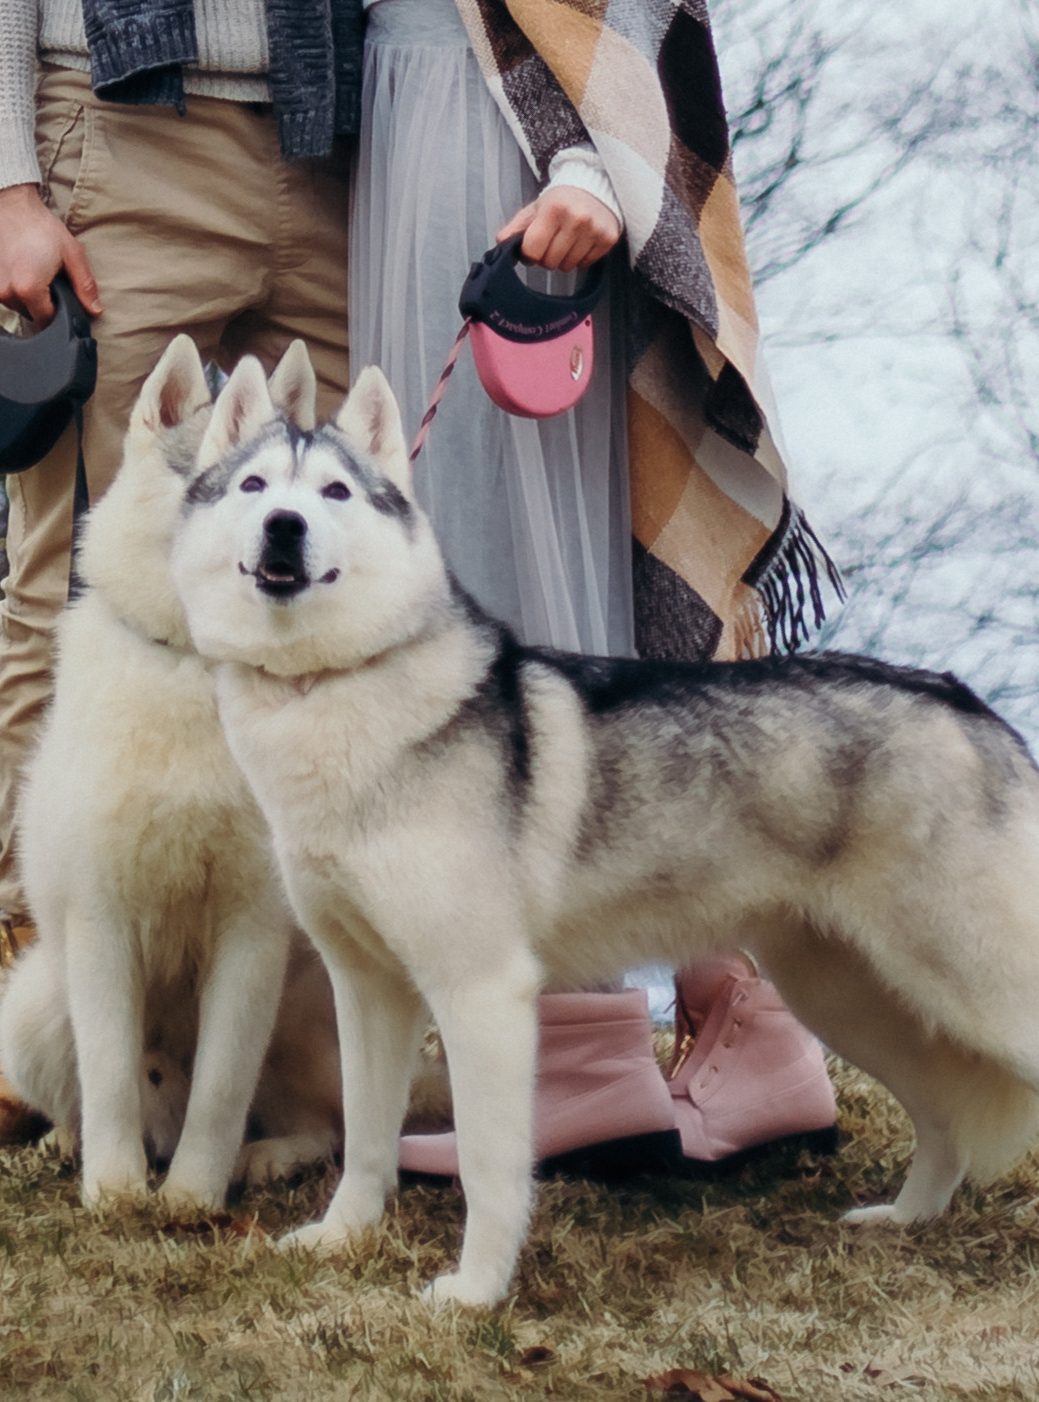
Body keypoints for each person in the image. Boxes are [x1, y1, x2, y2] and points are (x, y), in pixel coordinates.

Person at [355, 0, 841, 1174]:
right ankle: (731, 1018)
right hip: (429, 108)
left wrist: (585, 154)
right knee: (563, 575)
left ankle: (583, 1048)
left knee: (508, 584)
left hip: (503, 130)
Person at [0, 0, 362, 1143]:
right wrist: (2, 190)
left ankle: (297, 1037)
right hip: (122, 137)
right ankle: (49, 990)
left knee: (338, 589)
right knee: (75, 582)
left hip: (342, 144)